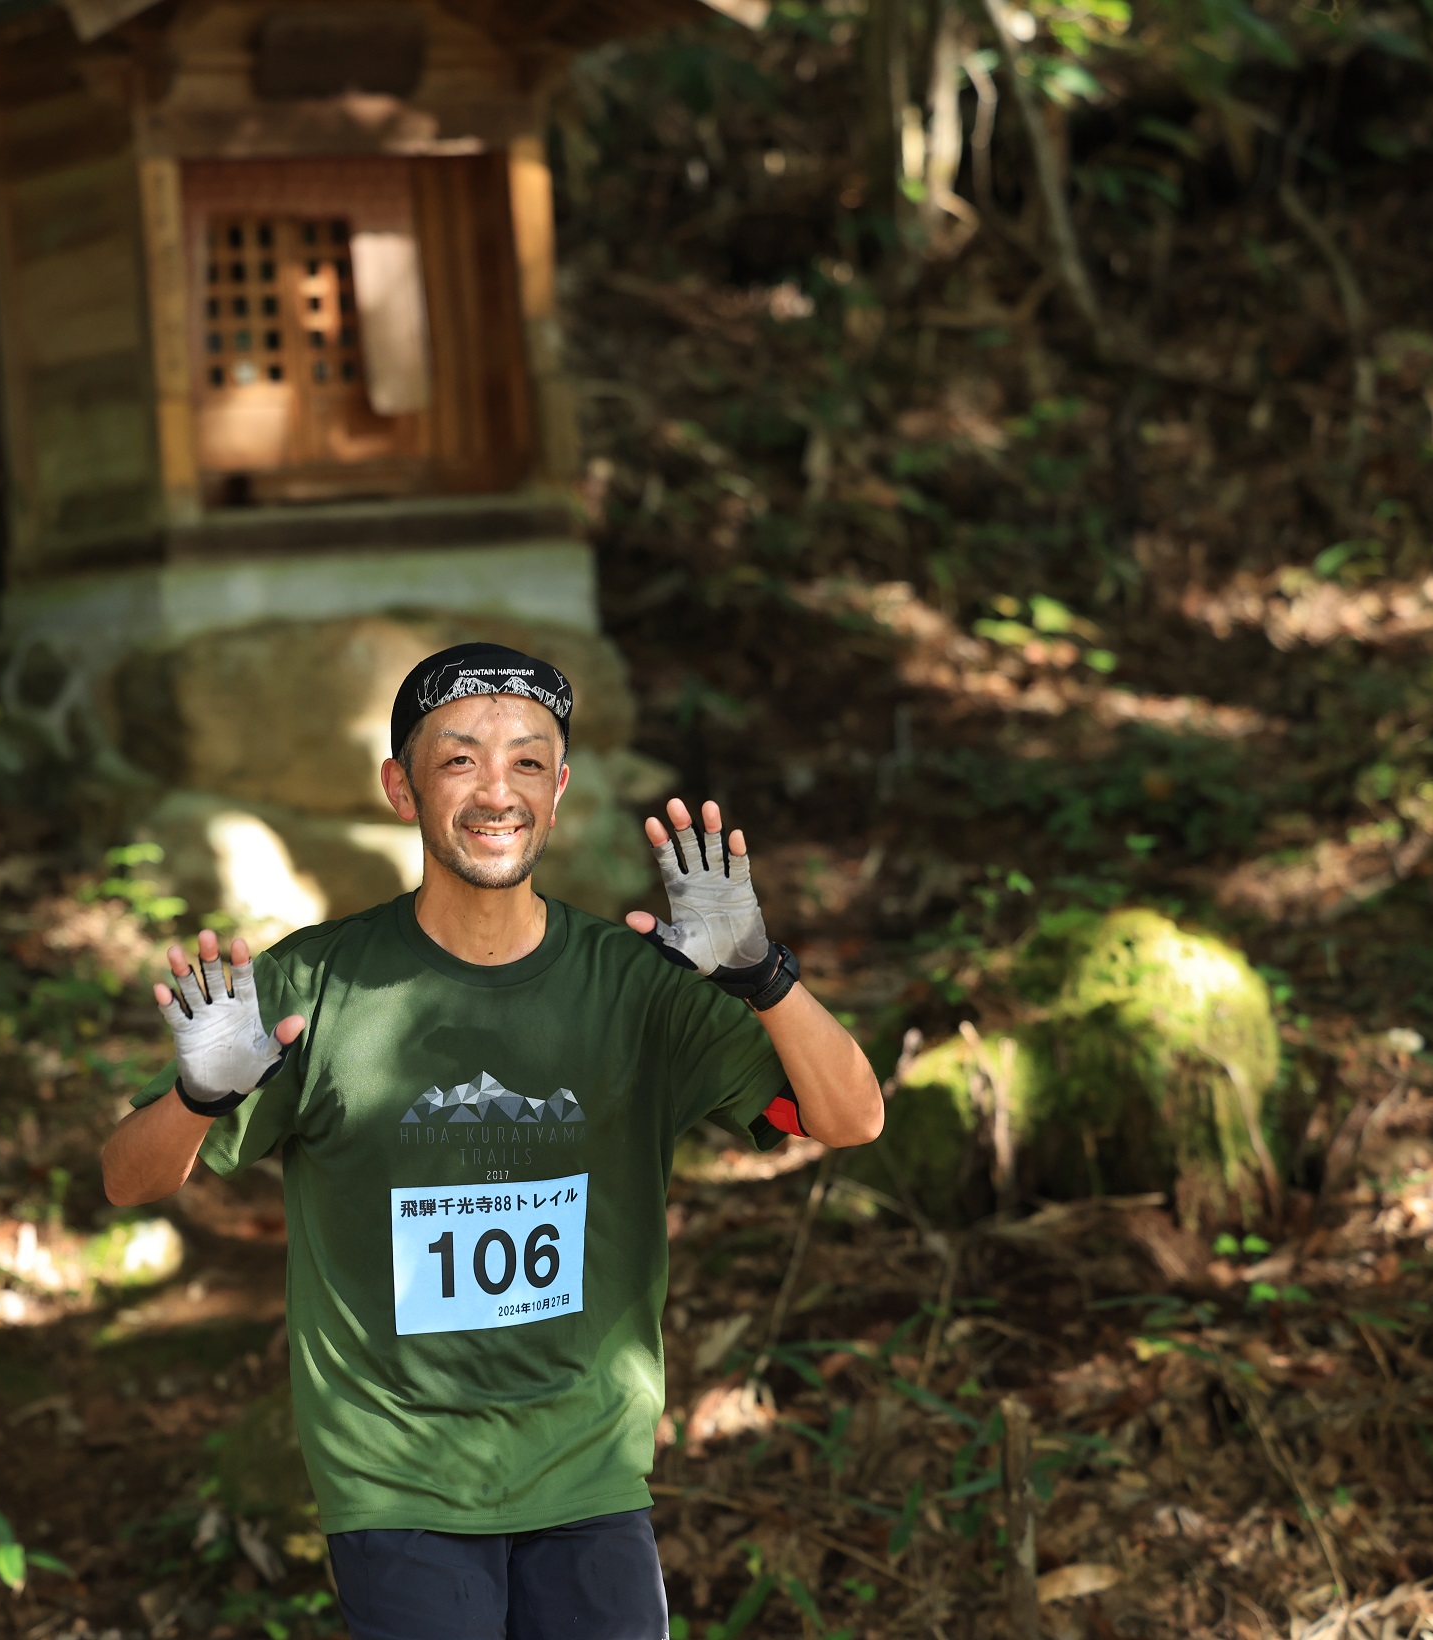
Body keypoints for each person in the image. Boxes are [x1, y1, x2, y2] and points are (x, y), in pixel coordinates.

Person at [101, 643, 883, 1640]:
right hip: (395, 1476)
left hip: (591, 1466)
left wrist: (764, 975)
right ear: (401, 786)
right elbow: (128, 1178)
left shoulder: (636, 984)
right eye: (459, 758)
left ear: (557, 790)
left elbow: (850, 1116)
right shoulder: (313, 986)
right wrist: (197, 1096)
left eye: (525, 761)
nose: (495, 790)